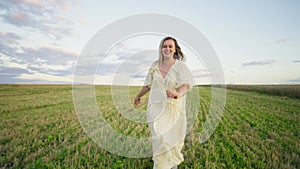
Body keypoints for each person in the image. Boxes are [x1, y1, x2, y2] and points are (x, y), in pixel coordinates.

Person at [134, 36, 194, 169]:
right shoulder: (154, 66)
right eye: (164, 46)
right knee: (159, 139)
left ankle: (171, 166)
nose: (167, 48)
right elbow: (148, 84)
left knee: (170, 140)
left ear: (175, 49)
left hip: (173, 109)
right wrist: (138, 95)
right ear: (161, 49)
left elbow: (186, 85)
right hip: (155, 109)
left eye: (170, 46)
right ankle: (160, 165)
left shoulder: (180, 66)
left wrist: (177, 93)